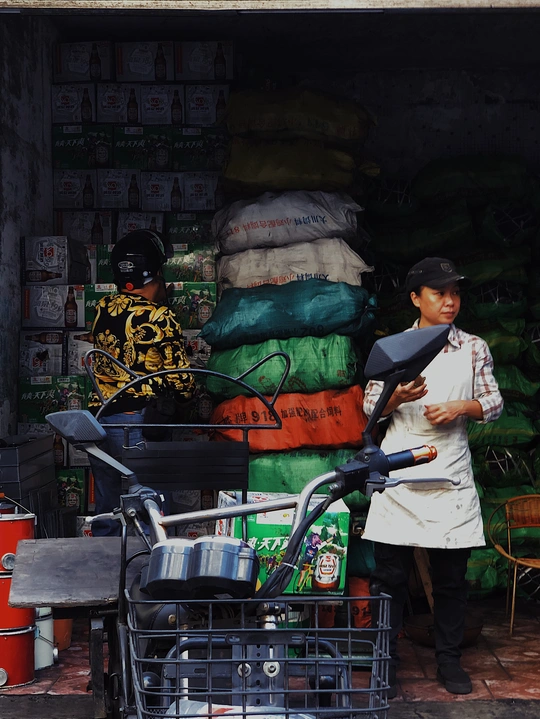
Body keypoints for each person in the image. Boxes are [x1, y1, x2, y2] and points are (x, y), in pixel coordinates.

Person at [362, 257, 503, 697]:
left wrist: (462, 407)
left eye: (455, 293)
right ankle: (384, 661)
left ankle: (448, 660)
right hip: (400, 470)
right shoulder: (394, 348)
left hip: (449, 471)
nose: (449, 301)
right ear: (415, 298)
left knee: (451, 579)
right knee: (389, 578)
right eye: (439, 293)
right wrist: (396, 397)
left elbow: (494, 403)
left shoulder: (473, 347)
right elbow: (369, 408)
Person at [88, 229, 194, 536]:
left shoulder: (102, 308)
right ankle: (151, 566)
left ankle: (106, 564)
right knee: (151, 506)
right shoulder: (160, 317)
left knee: (109, 506)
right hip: (140, 423)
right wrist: (186, 401)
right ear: (155, 274)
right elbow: (181, 381)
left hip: (100, 420)